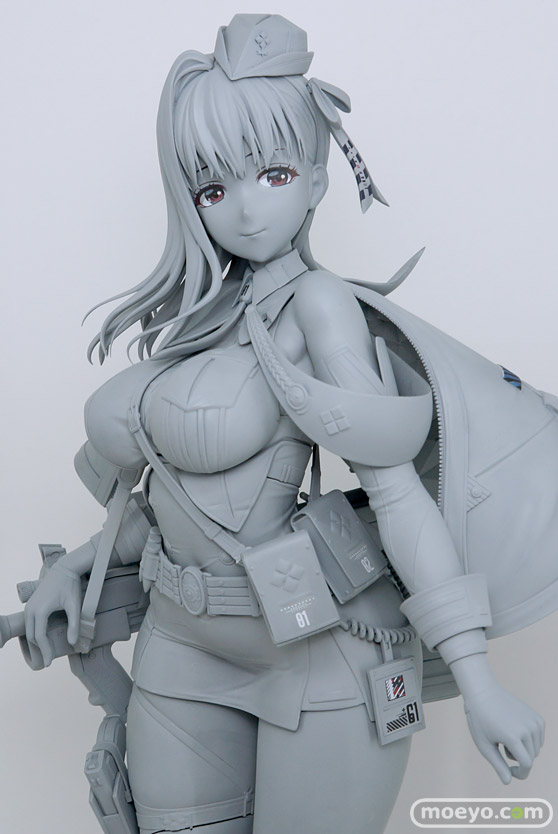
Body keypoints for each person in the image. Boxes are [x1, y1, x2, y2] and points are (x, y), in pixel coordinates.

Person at [18, 13, 548, 834]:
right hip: (180, 644)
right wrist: (81, 569)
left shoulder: (319, 307)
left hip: (314, 650)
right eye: (213, 188)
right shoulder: (202, 317)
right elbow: (175, 498)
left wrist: (477, 677)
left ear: (317, 179)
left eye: (272, 172)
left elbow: (395, 494)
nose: (244, 210)